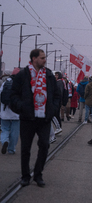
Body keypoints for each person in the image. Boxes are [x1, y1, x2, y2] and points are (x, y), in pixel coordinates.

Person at [10, 49, 60, 187]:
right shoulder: (23, 75)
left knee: (44, 145)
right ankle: (25, 176)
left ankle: (38, 174)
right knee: (25, 148)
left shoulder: (49, 75)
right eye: (42, 58)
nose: (45, 60)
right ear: (34, 58)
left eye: (45, 58)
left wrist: (53, 109)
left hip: (44, 118)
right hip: (28, 118)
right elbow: (13, 95)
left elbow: (57, 95)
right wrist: (21, 107)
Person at [1, 67, 20, 154]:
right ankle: (11, 149)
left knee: (5, 129)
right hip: (16, 112)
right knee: (15, 131)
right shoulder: (21, 84)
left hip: (5, 111)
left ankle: (5, 140)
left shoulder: (5, 83)